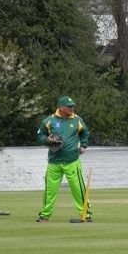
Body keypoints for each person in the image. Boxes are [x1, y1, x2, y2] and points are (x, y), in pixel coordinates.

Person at [36, 95, 91, 223]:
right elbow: (40, 135)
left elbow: (85, 133)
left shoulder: (77, 120)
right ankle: (44, 215)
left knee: (79, 189)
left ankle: (86, 215)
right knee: (50, 190)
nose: (72, 108)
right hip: (54, 161)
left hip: (72, 160)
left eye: (72, 106)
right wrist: (47, 140)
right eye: (69, 106)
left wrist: (83, 145)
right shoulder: (49, 121)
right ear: (60, 107)